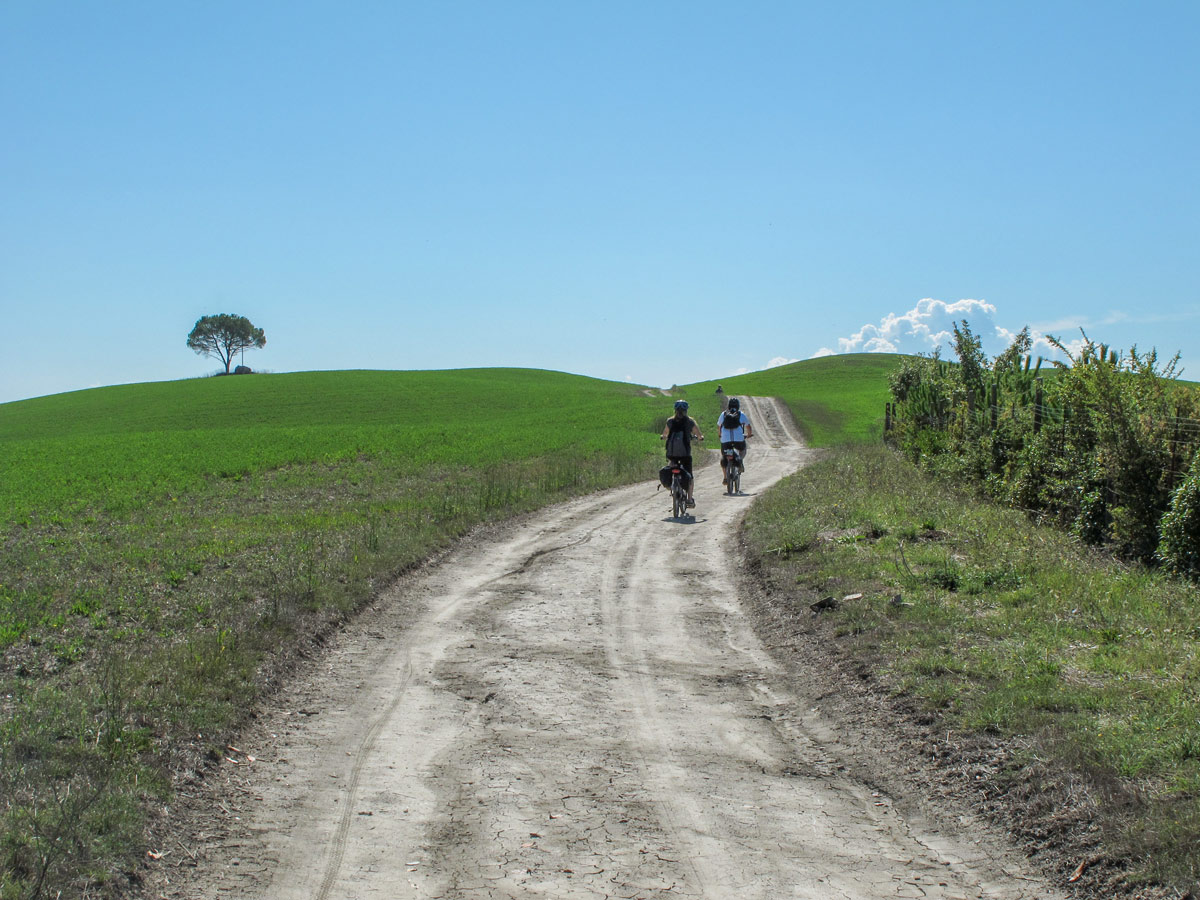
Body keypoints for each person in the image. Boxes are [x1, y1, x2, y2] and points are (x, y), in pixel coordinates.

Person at [661, 399, 704, 508]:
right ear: (686, 410)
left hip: (671, 454)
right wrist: (700, 438)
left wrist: (663, 437)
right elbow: (699, 435)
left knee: (671, 467)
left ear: (675, 410)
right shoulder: (690, 421)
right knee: (689, 477)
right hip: (685, 455)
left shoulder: (670, 421)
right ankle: (689, 499)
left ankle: (672, 486)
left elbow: (664, 434)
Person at [717, 397, 752, 484]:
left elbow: (719, 426)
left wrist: (720, 435)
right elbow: (748, 426)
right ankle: (740, 461)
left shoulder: (723, 414)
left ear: (728, 406)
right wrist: (749, 434)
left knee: (724, 457)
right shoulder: (741, 414)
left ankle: (725, 477)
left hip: (725, 440)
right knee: (742, 449)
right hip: (738, 440)